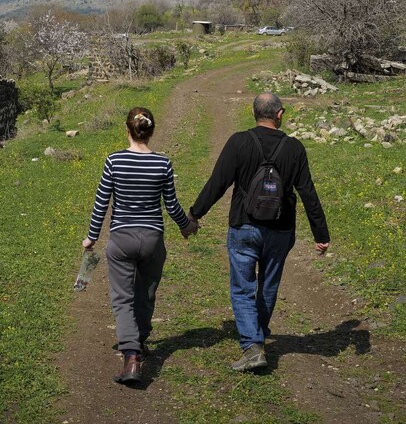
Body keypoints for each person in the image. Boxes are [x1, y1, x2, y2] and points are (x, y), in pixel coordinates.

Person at [189, 92, 330, 372]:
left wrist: (194, 215)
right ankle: (258, 337)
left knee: (242, 289)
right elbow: (307, 192)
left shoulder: (239, 142)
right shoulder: (294, 148)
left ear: (254, 113)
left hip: (244, 225)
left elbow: (218, 183)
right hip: (280, 230)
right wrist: (320, 233)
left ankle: (252, 346)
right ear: (279, 114)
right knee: (268, 285)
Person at [82, 106, 199, 385]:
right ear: (151, 132)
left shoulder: (114, 161)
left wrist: (92, 237)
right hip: (152, 239)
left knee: (122, 298)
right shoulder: (163, 164)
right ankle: (140, 340)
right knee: (146, 293)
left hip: (121, 239)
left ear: (127, 130)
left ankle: (131, 355)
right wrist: (186, 226)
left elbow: (102, 203)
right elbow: (170, 204)